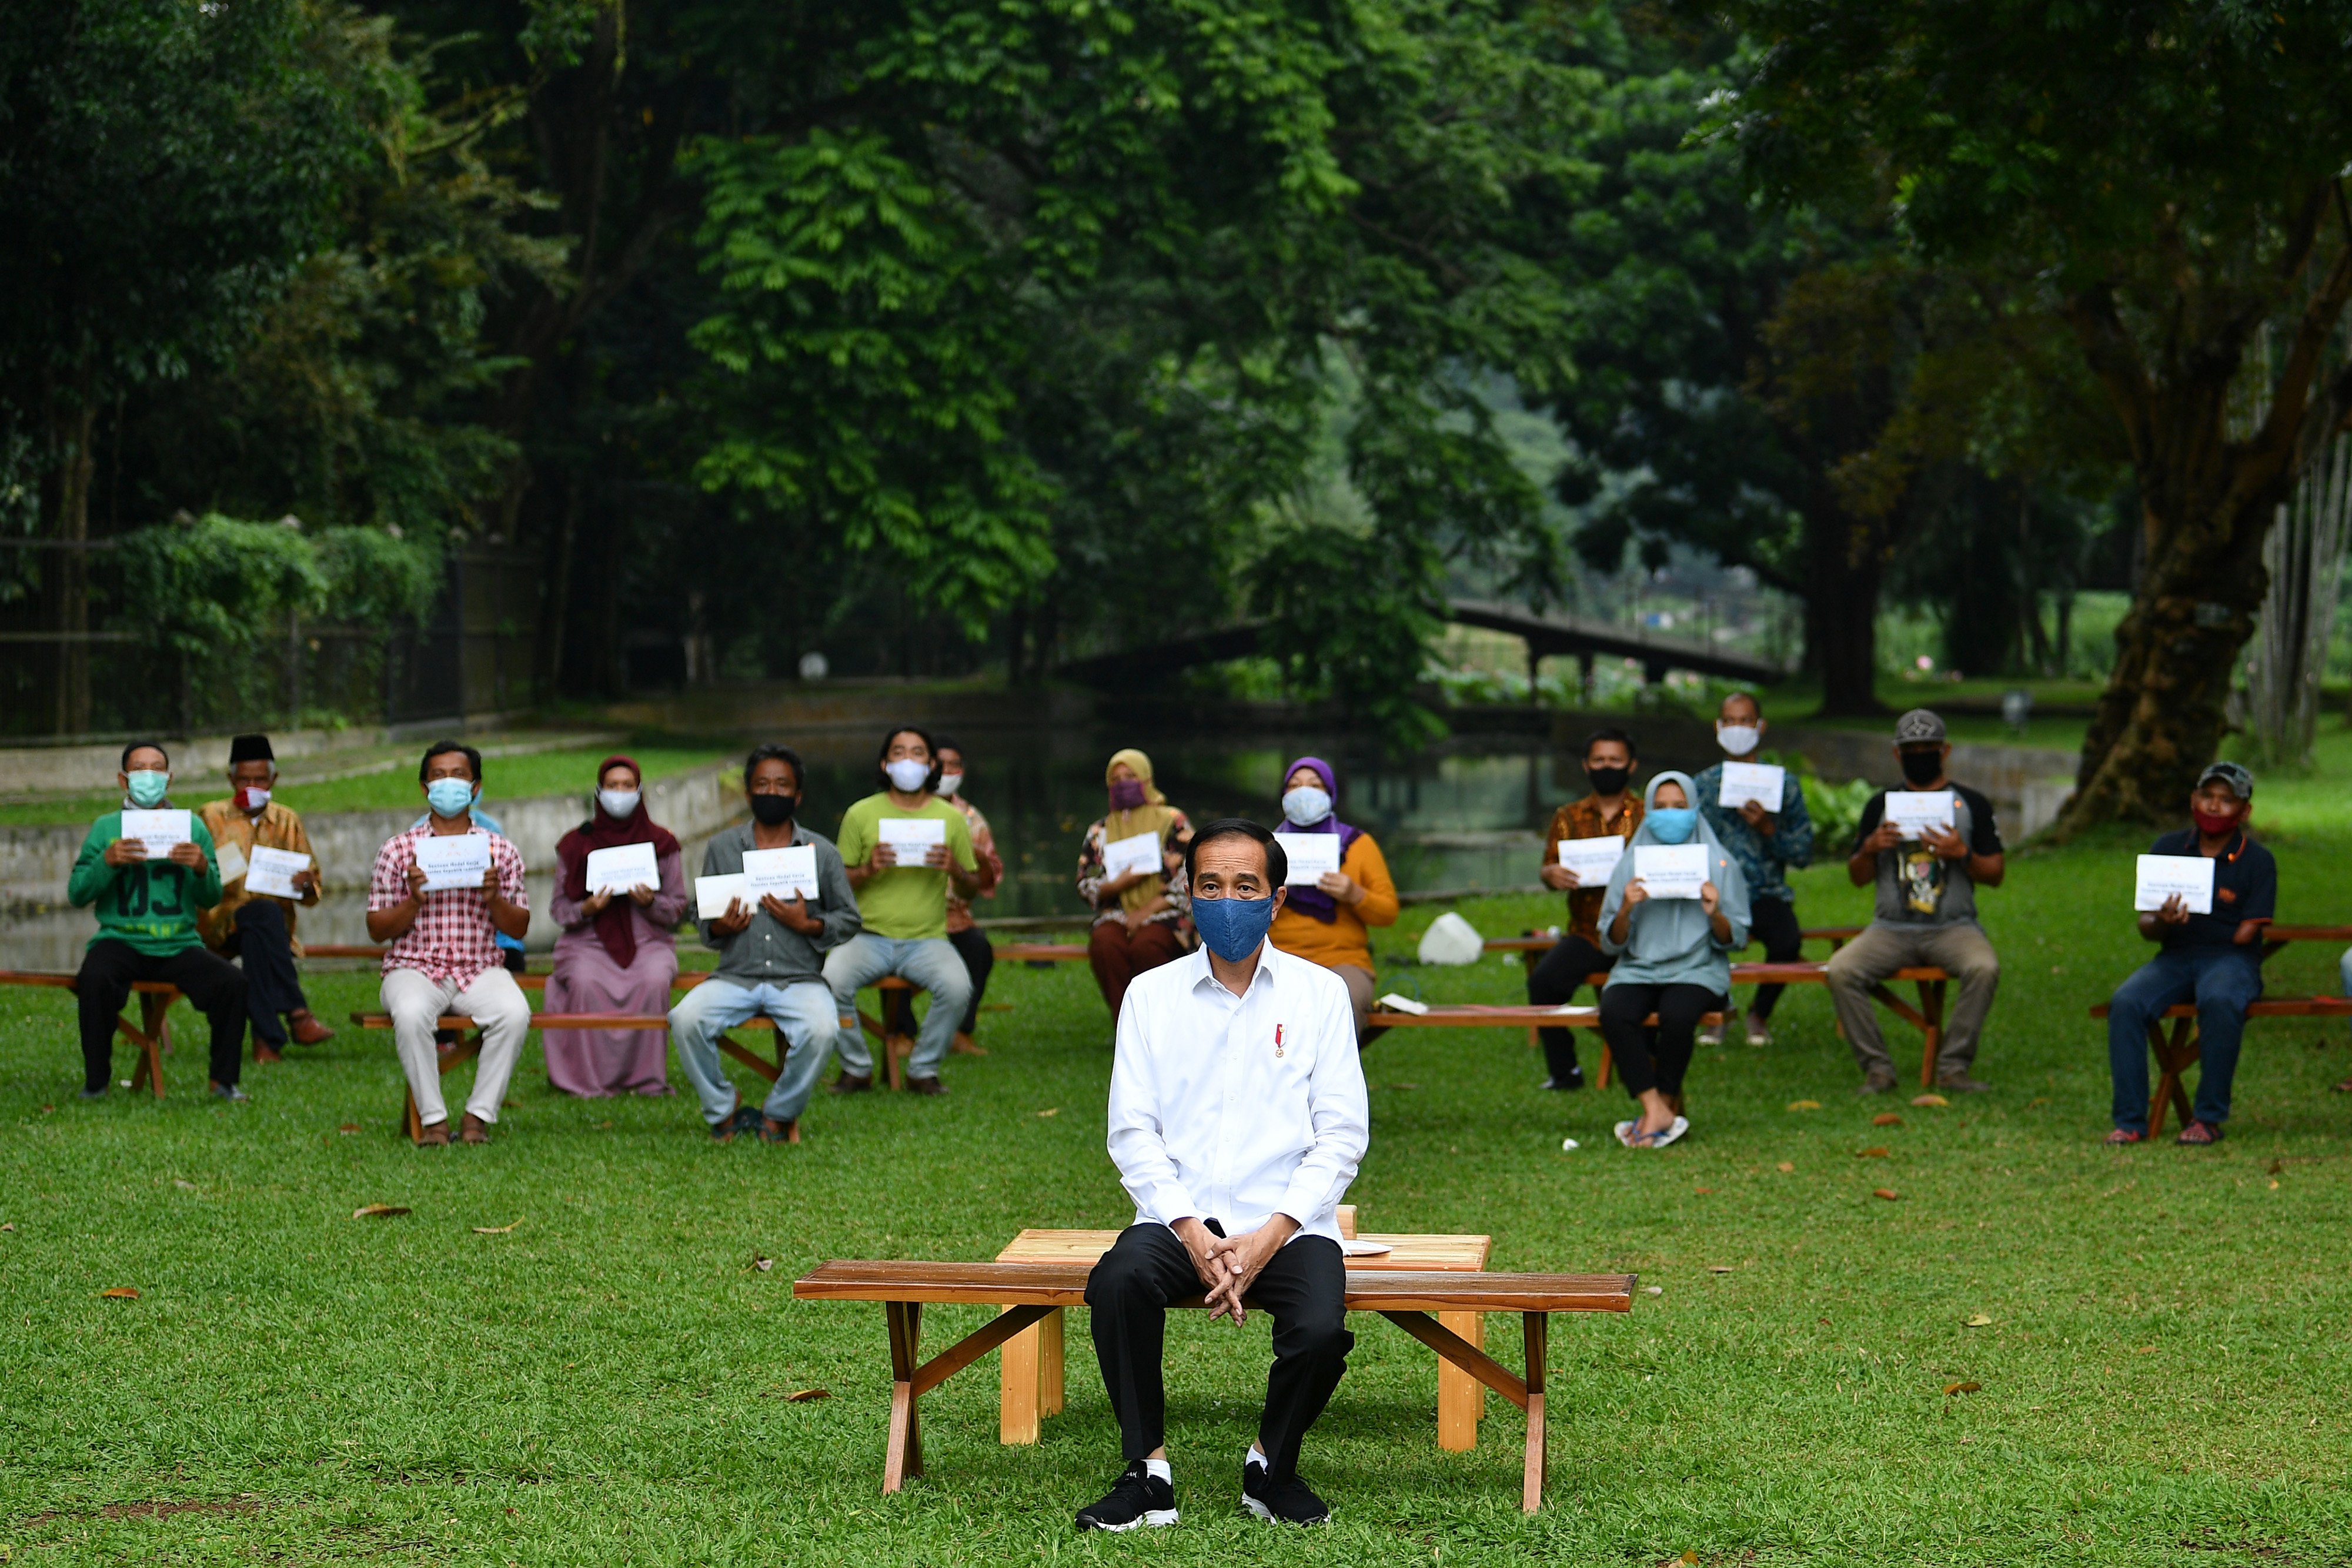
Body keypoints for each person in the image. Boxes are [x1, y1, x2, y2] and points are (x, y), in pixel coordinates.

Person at [1078, 819, 1368, 1532]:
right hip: (1179, 1221)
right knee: (1116, 1282)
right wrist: (1189, 1229)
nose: (1227, 900)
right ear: (1189, 894)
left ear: (1275, 901)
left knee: (1322, 1330)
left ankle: (1272, 1466)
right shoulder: (1150, 995)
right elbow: (1131, 1131)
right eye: (1210, 886)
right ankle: (1147, 1473)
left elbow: (1340, 1136)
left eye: (1246, 887)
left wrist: (1269, 1235)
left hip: (1287, 1224)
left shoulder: (1319, 994)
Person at [671, 745, 861, 1142]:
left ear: (797, 796)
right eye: (761, 784)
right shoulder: (723, 847)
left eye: (781, 785)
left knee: (824, 1028)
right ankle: (723, 1107)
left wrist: (807, 923)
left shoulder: (821, 852)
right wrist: (721, 926)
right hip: (734, 975)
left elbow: (849, 919)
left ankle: (780, 1112)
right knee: (685, 1018)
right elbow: (702, 914)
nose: (771, 791)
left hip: (799, 979)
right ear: (747, 794)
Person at [1827, 708, 2005, 1095]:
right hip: (1891, 928)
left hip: (1953, 925)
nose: (1920, 754)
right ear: (1897, 754)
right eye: (1912, 748)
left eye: (1928, 747)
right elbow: (1856, 876)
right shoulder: (1880, 805)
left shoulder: (1970, 803)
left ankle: (1953, 1066)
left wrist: (1962, 853)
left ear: (1945, 750)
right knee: (1841, 970)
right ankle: (1877, 1068)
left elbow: (1996, 873)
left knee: (1984, 967)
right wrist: (1870, 848)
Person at [367, 741, 532, 1145]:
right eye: (438, 776)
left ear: (475, 788)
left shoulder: (499, 850)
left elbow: (521, 925)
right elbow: (376, 927)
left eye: (458, 776)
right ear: (424, 788)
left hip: (480, 967)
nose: (448, 784)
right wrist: (413, 899)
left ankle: (478, 1115)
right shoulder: (398, 849)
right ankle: (434, 1119)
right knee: (409, 1012)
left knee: (514, 1012)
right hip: (413, 965)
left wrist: (494, 898)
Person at [2102, 762, 2274, 1146]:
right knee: (2126, 1002)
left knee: (2219, 999)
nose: (2214, 807)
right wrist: (2164, 920)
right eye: (2207, 796)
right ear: (2194, 799)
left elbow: (2248, 932)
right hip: (2175, 957)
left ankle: (2207, 1118)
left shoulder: (2258, 861)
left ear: (2244, 811)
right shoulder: (2168, 848)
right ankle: (2130, 1120)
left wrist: (2202, 912)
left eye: (2226, 800)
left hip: (2231, 959)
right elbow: (2147, 927)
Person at [67, 741, 249, 1101]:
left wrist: (200, 868)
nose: (148, 777)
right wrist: (107, 861)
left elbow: (211, 897)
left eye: (156, 769)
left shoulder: (193, 827)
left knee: (233, 984)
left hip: (178, 943)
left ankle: (223, 1082)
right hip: (121, 939)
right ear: (123, 780)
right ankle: (97, 1081)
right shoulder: (106, 828)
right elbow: (77, 893)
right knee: (95, 978)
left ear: (168, 779)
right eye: (139, 770)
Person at [1595, 773, 1749, 1148]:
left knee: (1678, 1014)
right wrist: (1627, 910)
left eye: (1679, 808)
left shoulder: (1721, 864)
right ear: (1647, 812)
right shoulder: (1629, 865)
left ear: (1695, 810)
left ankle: (1662, 1105)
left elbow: (1738, 939)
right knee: (1614, 1011)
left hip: (1698, 968)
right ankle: (1656, 1107)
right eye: (1660, 808)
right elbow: (1610, 943)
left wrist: (1715, 914)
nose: (1670, 815)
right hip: (1638, 967)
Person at [826, 726, 980, 1095]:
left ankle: (922, 1069)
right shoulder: (860, 814)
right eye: (899, 752)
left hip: (927, 940)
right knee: (831, 982)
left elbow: (973, 887)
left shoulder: (952, 819)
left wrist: (955, 870)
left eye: (917, 753)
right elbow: (837, 882)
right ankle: (857, 1068)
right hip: (867, 936)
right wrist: (867, 870)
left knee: (958, 989)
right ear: (885, 763)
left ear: (931, 765)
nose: (908, 761)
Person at [544, 755, 687, 1097]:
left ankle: (647, 1079)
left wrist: (650, 903)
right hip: (587, 943)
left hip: (649, 941)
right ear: (599, 791)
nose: (619, 793)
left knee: (653, 980)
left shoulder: (662, 842)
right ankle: (588, 1080)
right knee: (584, 981)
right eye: (612, 786)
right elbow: (559, 909)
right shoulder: (575, 844)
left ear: (639, 792)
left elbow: (678, 905)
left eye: (627, 786)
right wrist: (586, 908)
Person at [198, 733, 332, 1062]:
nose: (252, 786)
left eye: (260, 779)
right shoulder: (210, 817)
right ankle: (297, 1014)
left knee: (262, 926)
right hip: (221, 923)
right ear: (231, 779)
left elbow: (312, 892)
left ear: (274, 779)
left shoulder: (287, 821)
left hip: (270, 932)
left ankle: (268, 1042)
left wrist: (304, 884)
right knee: (262, 916)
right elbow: (199, 878)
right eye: (244, 779)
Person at [1690, 693, 1813, 1046]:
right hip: (1714, 894)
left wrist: (1768, 829)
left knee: (1788, 942)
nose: (1737, 729)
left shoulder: (1783, 785)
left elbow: (1804, 853)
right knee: (1694, 938)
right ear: (1718, 727)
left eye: (1745, 721)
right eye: (1730, 721)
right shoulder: (1700, 786)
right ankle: (1718, 1011)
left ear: (1760, 727)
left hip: (1765, 892)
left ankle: (1759, 1013)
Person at [1525, 728, 1643, 1090]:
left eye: (1615, 760)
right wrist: (1551, 874)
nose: (1607, 767)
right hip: (1587, 934)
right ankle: (1565, 1072)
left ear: (1631, 765)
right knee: (1543, 983)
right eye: (1599, 760)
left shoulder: (1648, 815)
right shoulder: (1567, 817)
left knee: (1643, 997)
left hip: (1641, 935)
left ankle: (1642, 1067)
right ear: (1586, 766)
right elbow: (1548, 868)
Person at [1266, 757, 1397, 1041]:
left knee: (1343, 1006)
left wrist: (1355, 894)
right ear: (1283, 795)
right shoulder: (1266, 848)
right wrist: (1269, 891)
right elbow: (1241, 909)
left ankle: (1336, 1084)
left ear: (1331, 794)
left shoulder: (1358, 845)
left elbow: (1388, 913)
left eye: (1315, 786)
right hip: (1278, 958)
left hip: (1344, 961)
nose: (1304, 792)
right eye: (1294, 786)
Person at [1079, 748, 1194, 1020]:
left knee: (1148, 946)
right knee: (1105, 943)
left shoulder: (1173, 821)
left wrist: (1145, 912)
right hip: (1116, 913)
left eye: (1131, 776)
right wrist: (1119, 885)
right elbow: (1085, 881)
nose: (1123, 784)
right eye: (1115, 779)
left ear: (1146, 779)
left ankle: (1159, 1022)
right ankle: (1126, 1024)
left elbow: (1191, 876)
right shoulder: (1101, 830)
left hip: (1166, 911)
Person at [933, 734, 1004, 1055]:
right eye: (941, 764)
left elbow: (989, 880)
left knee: (979, 950)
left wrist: (973, 859)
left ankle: (962, 1032)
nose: (947, 771)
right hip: (910, 918)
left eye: (955, 765)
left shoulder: (973, 820)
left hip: (956, 915)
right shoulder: (901, 813)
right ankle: (901, 1033)